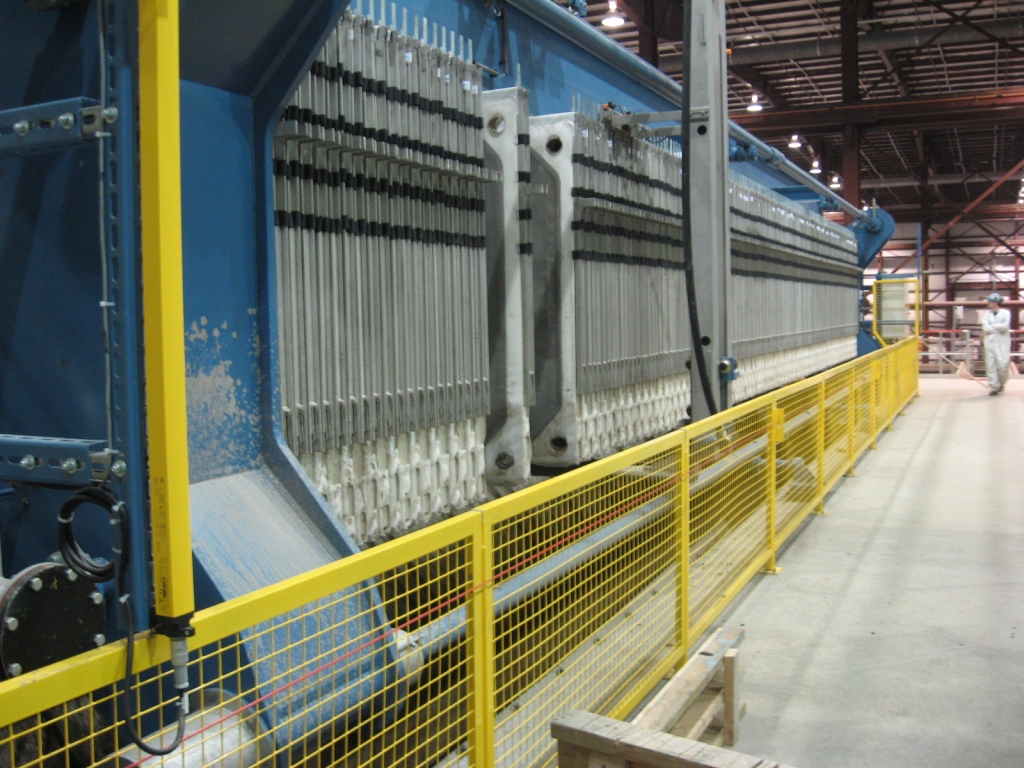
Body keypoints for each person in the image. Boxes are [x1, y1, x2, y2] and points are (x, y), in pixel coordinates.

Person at [981, 293, 1011, 396]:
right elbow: (985, 328)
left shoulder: (1005, 313)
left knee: (1003, 365)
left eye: (990, 301)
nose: (988, 303)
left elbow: (1005, 326)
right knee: (991, 366)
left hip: (1002, 343)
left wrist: (992, 327)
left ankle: (1001, 383)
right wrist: (997, 328)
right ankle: (994, 387)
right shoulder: (986, 315)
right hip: (989, 343)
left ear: (995, 302)